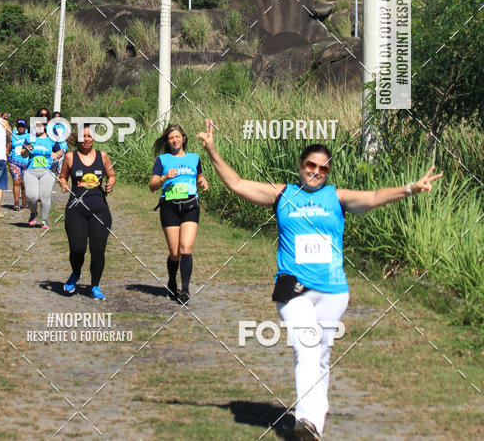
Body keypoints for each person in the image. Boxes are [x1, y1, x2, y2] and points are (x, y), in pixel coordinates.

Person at [198, 120, 443, 441]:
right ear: (300, 166)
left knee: (322, 354)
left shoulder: (336, 197)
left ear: (328, 172)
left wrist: (410, 188)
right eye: (310, 165)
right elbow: (238, 183)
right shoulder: (282, 194)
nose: (315, 171)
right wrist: (213, 151)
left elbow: (373, 196)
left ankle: (316, 423)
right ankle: (306, 419)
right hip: (293, 288)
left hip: (332, 291)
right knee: (307, 347)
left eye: (322, 168)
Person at [149, 123, 209, 304]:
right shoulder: (162, 160)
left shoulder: (195, 158)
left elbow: (199, 176)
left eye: (177, 137)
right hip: (170, 207)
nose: (174, 140)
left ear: (183, 138)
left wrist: (202, 181)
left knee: (186, 248)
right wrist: (165, 177)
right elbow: (152, 186)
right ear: (167, 141)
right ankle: (171, 281)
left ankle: (185, 290)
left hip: (190, 205)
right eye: (170, 138)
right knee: (174, 252)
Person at [59, 124, 115, 299]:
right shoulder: (70, 157)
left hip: (100, 210)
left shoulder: (102, 156)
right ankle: (75, 273)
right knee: (77, 249)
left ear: (94, 138)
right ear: (78, 139)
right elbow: (62, 176)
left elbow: (111, 174)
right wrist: (63, 183)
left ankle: (95, 286)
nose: (87, 139)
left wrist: (110, 183)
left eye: (90, 136)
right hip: (76, 210)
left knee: (98, 250)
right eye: (83, 136)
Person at [21, 117, 62, 229]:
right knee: (31, 196)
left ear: (44, 126)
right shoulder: (29, 138)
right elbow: (23, 154)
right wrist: (26, 150)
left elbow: (60, 151)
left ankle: (44, 220)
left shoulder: (51, 140)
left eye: (40, 125)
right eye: (35, 125)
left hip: (47, 172)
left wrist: (56, 155)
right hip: (31, 171)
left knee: (45, 195)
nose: (37, 127)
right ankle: (33, 213)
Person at [8, 119, 30, 210]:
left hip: (26, 162)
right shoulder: (12, 136)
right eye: (19, 126)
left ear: (26, 127)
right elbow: (8, 147)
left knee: (24, 183)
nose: (21, 128)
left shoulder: (29, 136)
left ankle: (24, 202)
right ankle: (16, 203)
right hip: (14, 161)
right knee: (16, 181)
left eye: (23, 126)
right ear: (16, 127)